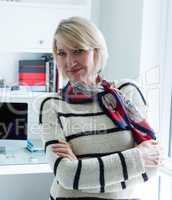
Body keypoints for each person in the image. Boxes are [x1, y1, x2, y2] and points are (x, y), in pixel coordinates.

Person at [39, 17, 164, 200]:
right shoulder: (51, 105)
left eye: (78, 51)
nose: (69, 62)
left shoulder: (125, 92)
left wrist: (82, 171)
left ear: (96, 51)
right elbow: (66, 176)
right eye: (61, 53)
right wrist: (138, 158)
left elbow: (152, 165)